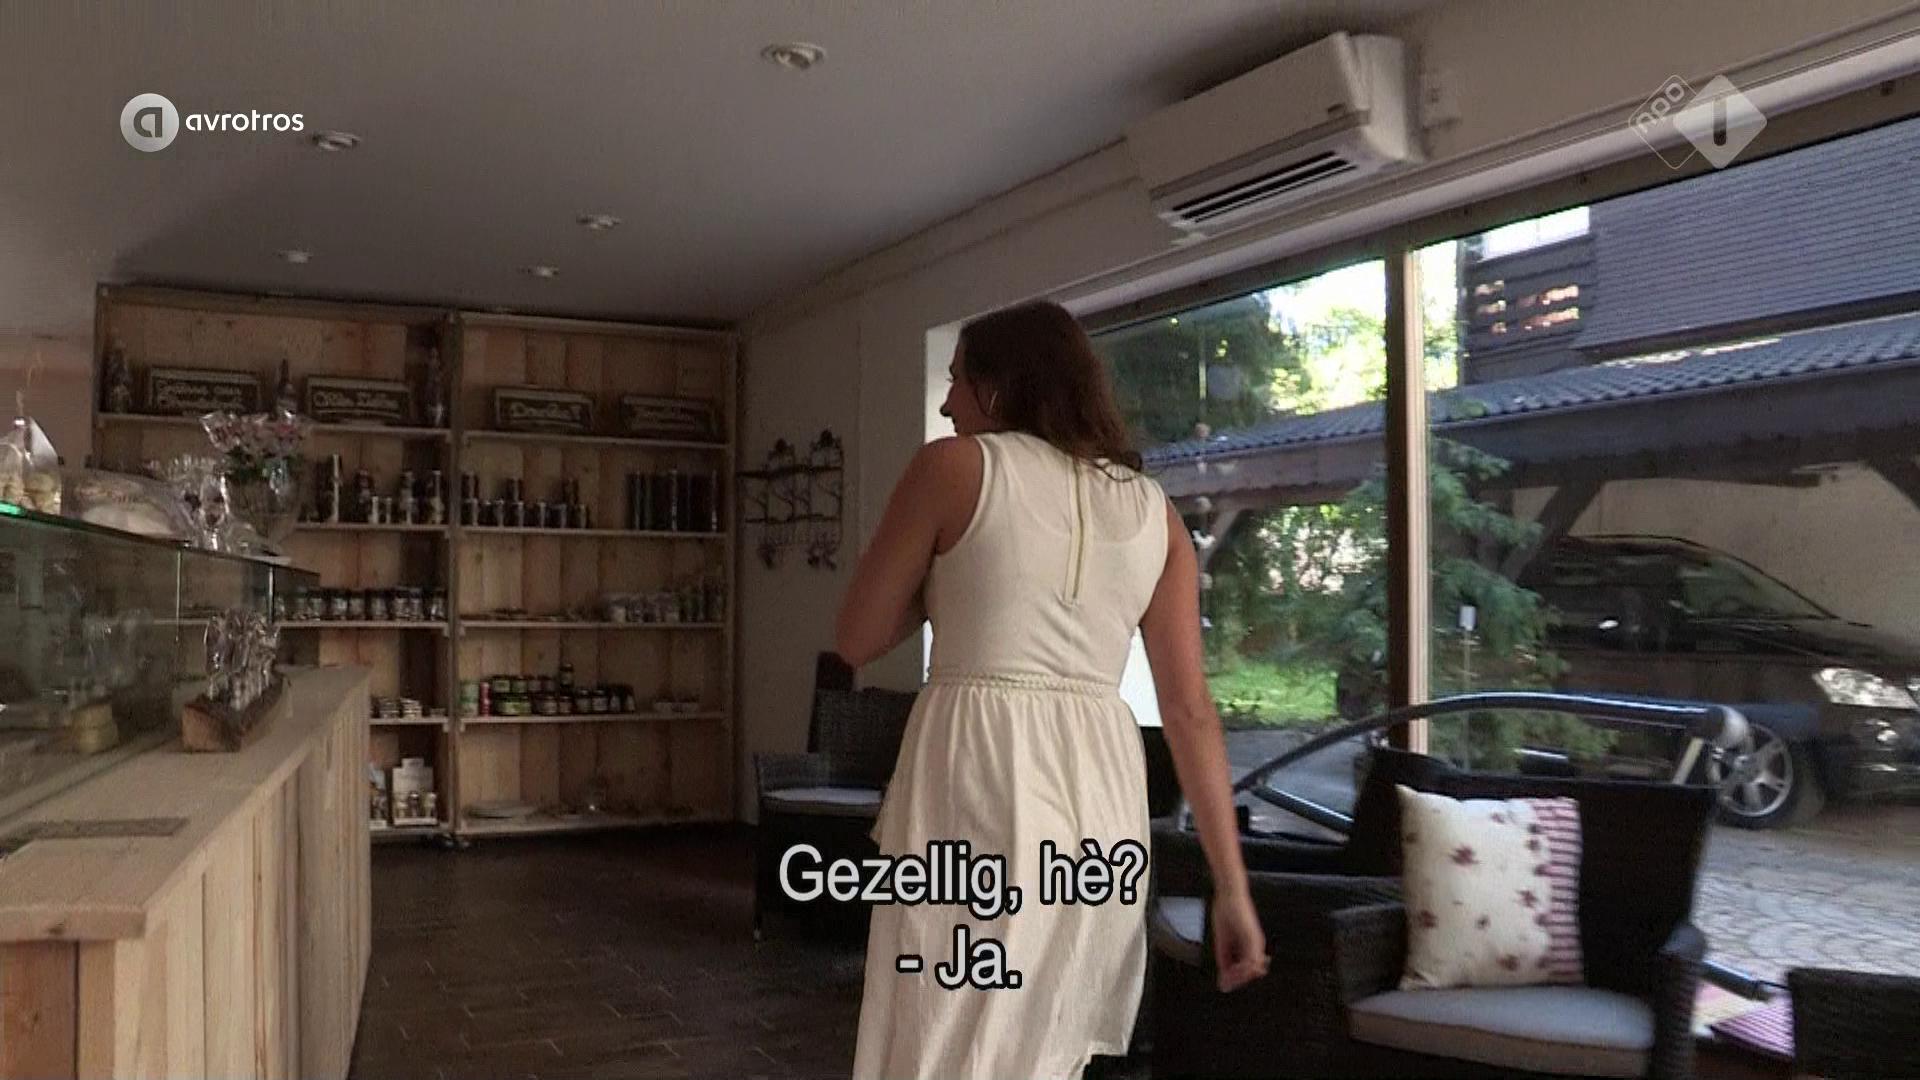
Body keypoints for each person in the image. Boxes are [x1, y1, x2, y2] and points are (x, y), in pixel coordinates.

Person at [834, 299, 1269, 1080]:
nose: (947, 404)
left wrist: (949, 580)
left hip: (981, 772)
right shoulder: (1155, 512)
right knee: (1045, 1044)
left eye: (956, 381)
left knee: (941, 1028)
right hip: (1099, 797)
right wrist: (1231, 888)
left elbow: (857, 638)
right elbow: (1190, 710)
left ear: (998, 389)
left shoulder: (953, 467)